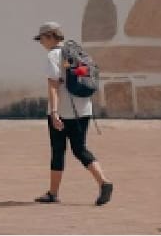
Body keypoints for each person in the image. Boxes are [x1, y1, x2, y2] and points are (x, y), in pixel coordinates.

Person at [32, 21, 114, 207]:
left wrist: (54, 112)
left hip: (63, 112)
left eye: (42, 39)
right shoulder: (76, 52)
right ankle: (104, 182)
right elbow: (87, 73)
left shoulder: (53, 55)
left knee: (58, 151)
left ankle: (53, 193)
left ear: (51, 36)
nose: (41, 43)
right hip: (84, 110)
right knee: (80, 149)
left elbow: (53, 86)